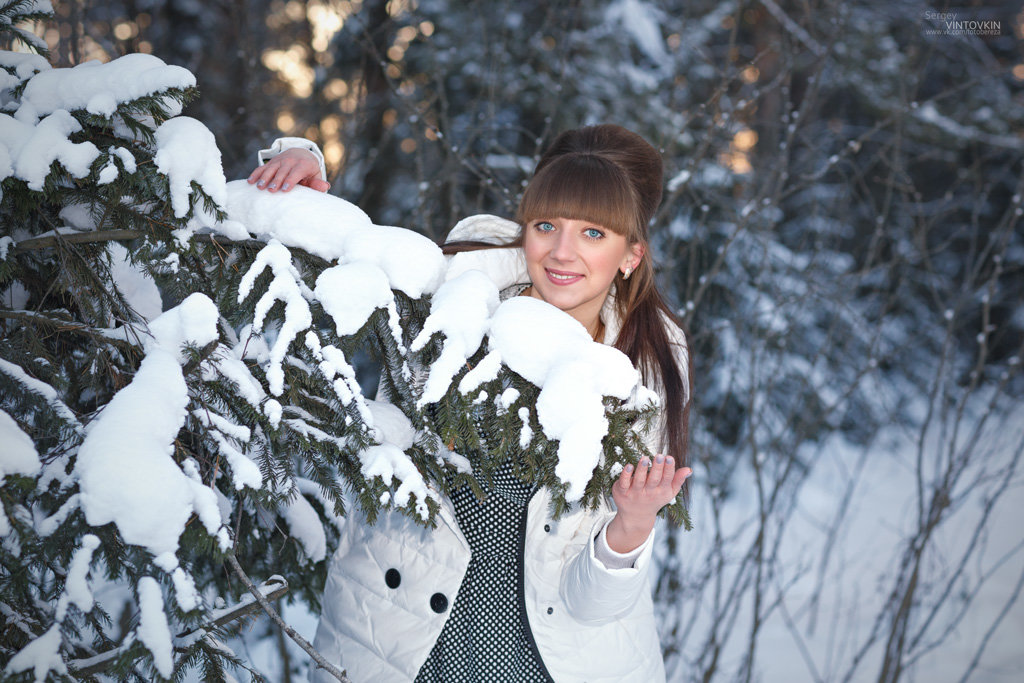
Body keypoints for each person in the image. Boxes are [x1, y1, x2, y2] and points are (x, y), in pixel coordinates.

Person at [248, 125, 692, 683]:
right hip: (400, 645)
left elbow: (593, 601)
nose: (563, 252)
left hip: (557, 663)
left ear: (632, 251)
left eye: (595, 230)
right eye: (549, 223)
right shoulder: (453, 289)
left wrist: (630, 527)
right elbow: (342, 257)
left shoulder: (643, 363)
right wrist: (302, 169)